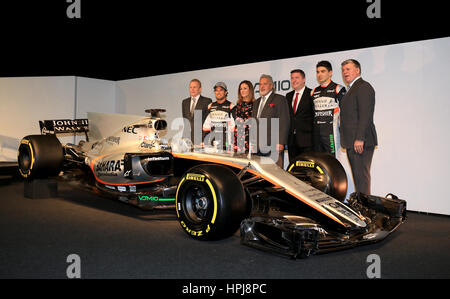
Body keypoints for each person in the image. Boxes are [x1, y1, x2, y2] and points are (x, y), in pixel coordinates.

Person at [340, 59, 378, 195]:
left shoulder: (363, 87)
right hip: (352, 141)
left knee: (361, 179)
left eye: (348, 69)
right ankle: (362, 208)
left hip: (360, 142)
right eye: (343, 70)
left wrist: (360, 138)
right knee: (358, 178)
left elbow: (365, 115)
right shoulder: (351, 89)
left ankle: (365, 211)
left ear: (358, 70)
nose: (345, 72)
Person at [253, 74, 290, 168]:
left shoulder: (279, 99)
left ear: (271, 86)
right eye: (260, 84)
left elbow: (284, 121)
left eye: (265, 84)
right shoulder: (256, 102)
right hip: (258, 147)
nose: (262, 86)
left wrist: (281, 142)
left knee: (275, 174)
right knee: (260, 175)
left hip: (273, 146)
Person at [311, 60, 346, 156]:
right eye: (317, 72)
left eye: (323, 71)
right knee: (318, 161)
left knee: (332, 161)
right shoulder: (313, 91)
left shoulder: (338, 88)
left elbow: (345, 113)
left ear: (330, 73)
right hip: (317, 134)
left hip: (332, 132)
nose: (319, 74)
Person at [285, 69, 314, 163]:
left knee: (307, 170)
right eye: (292, 78)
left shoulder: (311, 93)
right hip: (292, 142)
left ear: (304, 79)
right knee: (293, 170)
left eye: (297, 77)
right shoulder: (288, 96)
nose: (294, 80)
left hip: (307, 141)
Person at [202, 82, 235, 151]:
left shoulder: (231, 106)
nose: (218, 92)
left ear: (226, 92)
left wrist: (232, 143)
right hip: (212, 145)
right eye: (216, 90)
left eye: (221, 90)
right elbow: (206, 126)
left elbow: (234, 127)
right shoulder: (210, 106)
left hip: (226, 145)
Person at [181, 79, 212, 145]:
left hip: (201, 140)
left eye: (195, 87)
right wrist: (183, 138)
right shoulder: (185, 102)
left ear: (200, 89)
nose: (192, 89)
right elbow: (185, 121)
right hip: (187, 139)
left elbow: (208, 123)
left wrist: (204, 139)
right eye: (190, 87)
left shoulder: (207, 101)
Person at [231, 80, 255, 153]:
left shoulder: (255, 105)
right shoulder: (237, 106)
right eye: (241, 89)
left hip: (250, 139)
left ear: (250, 90)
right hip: (238, 140)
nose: (242, 91)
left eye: (245, 88)